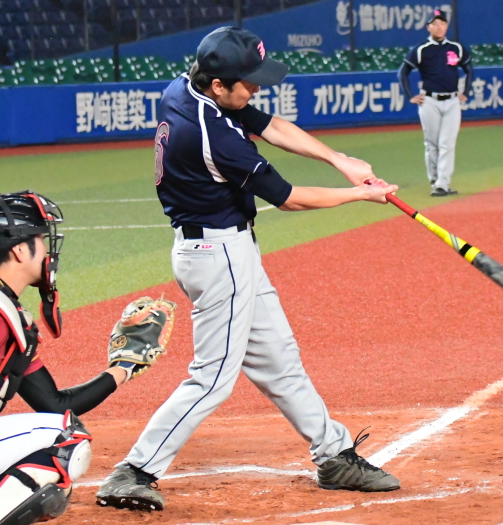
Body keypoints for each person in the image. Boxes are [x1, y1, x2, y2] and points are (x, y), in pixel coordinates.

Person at [96, 26, 401, 511]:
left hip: (225, 251)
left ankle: (334, 455)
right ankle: (134, 470)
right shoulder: (214, 136)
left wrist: (338, 159)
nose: (257, 89)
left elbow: (270, 125)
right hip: (218, 257)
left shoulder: (187, 88)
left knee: (280, 360)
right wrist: (360, 195)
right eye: (249, 82)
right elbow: (290, 198)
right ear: (219, 84)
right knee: (213, 378)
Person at [0, 192, 144, 524]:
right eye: (41, 239)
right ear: (18, 250)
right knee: (64, 439)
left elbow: (55, 404)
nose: (47, 250)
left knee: (50, 458)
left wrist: (123, 367)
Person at [397, 9, 474, 197]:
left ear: (446, 26)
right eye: (435, 24)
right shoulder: (421, 49)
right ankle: (435, 182)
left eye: (442, 23)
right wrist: (410, 96)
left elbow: (469, 69)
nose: (439, 27)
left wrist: (466, 92)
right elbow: (403, 72)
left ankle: (442, 184)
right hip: (430, 100)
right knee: (432, 144)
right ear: (428, 27)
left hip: (452, 100)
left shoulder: (456, 47)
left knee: (447, 143)